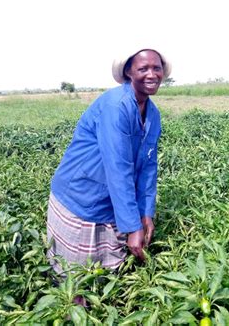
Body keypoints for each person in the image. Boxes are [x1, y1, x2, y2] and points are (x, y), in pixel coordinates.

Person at [46, 47, 171, 276]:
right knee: (74, 278)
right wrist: (133, 226)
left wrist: (146, 212)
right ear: (128, 73)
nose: (151, 74)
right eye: (143, 68)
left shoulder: (152, 113)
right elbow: (118, 168)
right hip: (81, 194)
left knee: (107, 274)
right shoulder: (116, 106)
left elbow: (148, 166)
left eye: (157, 68)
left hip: (112, 199)